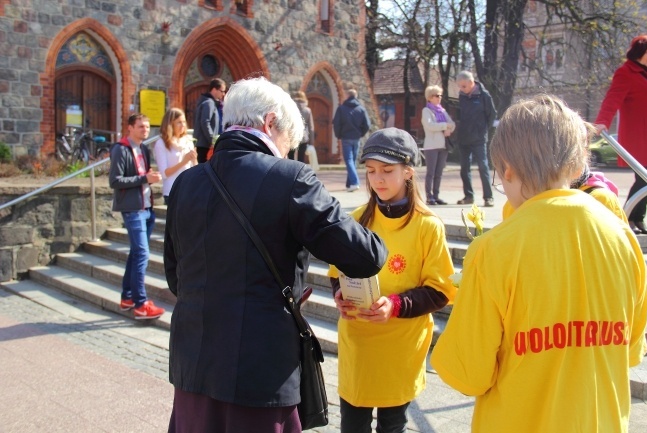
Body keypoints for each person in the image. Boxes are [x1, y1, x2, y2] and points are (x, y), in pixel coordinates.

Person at [164, 77, 388, 433]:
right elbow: (365, 256)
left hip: (193, 365)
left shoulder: (186, 183)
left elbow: (175, 277)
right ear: (270, 123)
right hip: (258, 374)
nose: (286, 152)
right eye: (288, 142)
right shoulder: (290, 178)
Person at [432, 95, 647, 433]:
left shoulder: (493, 249)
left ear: (506, 170)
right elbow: (631, 351)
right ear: (577, 166)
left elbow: (467, 373)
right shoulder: (623, 238)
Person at [328, 127, 457, 433]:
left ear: (409, 172)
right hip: (359, 340)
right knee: (353, 423)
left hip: (401, 344)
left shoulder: (428, 226)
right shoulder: (357, 219)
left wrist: (396, 304)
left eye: (387, 170)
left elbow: (440, 290)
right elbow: (337, 273)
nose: (378, 180)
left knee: (392, 424)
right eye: (371, 171)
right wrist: (339, 295)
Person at [109, 113, 165, 320]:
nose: (145, 130)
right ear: (130, 128)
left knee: (135, 253)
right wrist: (144, 178)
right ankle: (141, 304)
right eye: (141, 126)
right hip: (133, 209)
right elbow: (115, 181)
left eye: (148, 126)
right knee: (142, 254)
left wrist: (149, 179)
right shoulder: (120, 149)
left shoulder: (143, 148)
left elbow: (142, 176)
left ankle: (128, 297)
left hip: (146, 207)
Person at [595, 35, 647, 234]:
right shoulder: (626, 73)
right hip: (638, 138)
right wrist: (602, 121)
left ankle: (637, 219)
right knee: (645, 179)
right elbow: (612, 99)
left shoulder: (646, 73)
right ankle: (627, 219)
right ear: (638, 52)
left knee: (646, 180)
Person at [455, 70, 497, 207]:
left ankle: (488, 197)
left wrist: (483, 129)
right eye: (460, 86)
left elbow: (492, 115)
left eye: (464, 86)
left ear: (471, 83)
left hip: (479, 138)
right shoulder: (461, 96)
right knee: (464, 168)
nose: (461, 89)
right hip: (464, 138)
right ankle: (468, 196)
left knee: (483, 167)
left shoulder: (484, 96)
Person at [153, 108, 197, 205]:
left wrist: (194, 160)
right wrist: (183, 162)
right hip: (172, 190)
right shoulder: (161, 143)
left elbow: (194, 167)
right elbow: (164, 173)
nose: (183, 125)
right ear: (170, 124)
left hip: (189, 190)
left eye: (184, 122)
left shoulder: (188, 140)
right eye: (179, 122)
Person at [421, 85, 455, 205]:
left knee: (439, 172)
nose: (439, 98)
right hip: (431, 146)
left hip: (443, 145)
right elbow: (430, 126)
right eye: (436, 96)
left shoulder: (442, 111)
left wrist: (449, 129)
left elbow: (452, 123)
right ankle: (429, 196)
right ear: (430, 97)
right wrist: (445, 126)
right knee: (431, 172)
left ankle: (436, 195)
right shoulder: (426, 111)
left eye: (440, 95)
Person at [333, 88, 371, 192]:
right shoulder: (361, 109)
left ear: (347, 96)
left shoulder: (341, 108)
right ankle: (349, 184)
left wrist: (338, 135)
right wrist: (361, 133)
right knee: (352, 161)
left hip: (346, 137)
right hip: (356, 137)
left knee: (349, 160)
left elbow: (336, 124)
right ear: (356, 96)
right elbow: (367, 125)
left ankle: (354, 183)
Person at [193, 78, 227, 163]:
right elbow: (205, 122)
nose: (223, 94)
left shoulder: (209, 102)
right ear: (214, 89)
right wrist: (212, 140)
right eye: (222, 91)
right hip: (205, 145)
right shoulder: (209, 103)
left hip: (204, 144)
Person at [287, 90, 314, 163]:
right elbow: (311, 127)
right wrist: (312, 143)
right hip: (303, 137)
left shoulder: (290, 108)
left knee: (290, 158)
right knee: (301, 159)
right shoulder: (308, 110)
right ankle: (299, 174)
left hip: (292, 135)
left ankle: (291, 173)